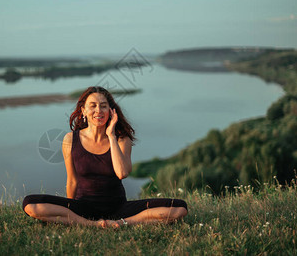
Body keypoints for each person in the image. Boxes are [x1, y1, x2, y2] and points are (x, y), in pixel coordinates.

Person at [22, 86, 188, 228]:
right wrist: (69, 209)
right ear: (84, 111)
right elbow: (72, 180)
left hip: (118, 208)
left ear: (111, 111)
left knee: (179, 208)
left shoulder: (122, 139)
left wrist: (111, 136)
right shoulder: (70, 139)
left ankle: (124, 223)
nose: (98, 111)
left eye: (103, 106)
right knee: (30, 204)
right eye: (92, 106)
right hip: (83, 206)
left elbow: (122, 173)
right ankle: (92, 224)